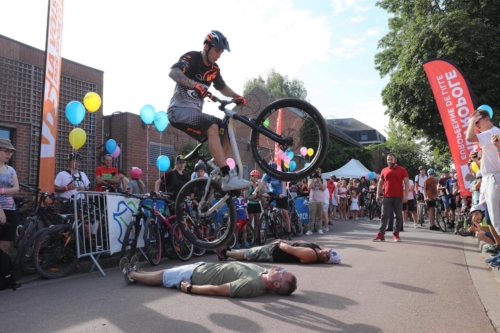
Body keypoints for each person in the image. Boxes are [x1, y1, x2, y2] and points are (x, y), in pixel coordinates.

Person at [166, 30, 251, 191]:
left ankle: (221, 171)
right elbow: (173, 72)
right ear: (206, 46)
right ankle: (227, 175)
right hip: (178, 111)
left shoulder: (214, 70)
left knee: (225, 127)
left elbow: (222, 87)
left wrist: (235, 95)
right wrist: (194, 84)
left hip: (195, 114)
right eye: (217, 50)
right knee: (211, 127)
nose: (219, 55)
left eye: (221, 52)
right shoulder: (192, 58)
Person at [119, 256, 297, 298]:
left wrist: (190, 288)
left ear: (275, 283)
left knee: (163, 276)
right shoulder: (262, 273)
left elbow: (218, 290)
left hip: (197, 277)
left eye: (281, 273)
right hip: (204, 267)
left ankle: (132, 274)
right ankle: (139, 272)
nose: (279, 268)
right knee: (168, 271)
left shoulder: (252, 284)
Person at [468, 108, 500, 254]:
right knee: (490, 217)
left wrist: (470, 121)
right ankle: (498, 247)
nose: (476, 125)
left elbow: (470, 137)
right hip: (489, 177)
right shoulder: (488, 135)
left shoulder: (493, 132)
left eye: (478, 121)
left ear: (487, 119)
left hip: (494, 177)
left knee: (496, 217)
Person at [372, 153, 409, 242]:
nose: (389, 161)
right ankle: (381, 234)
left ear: (395, 160)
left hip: (398, 196)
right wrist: (377, 194)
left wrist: (406, 195)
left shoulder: (402, 170)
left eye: (391, 159)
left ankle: (396, 234)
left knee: (398, 216)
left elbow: (406, 183)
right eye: (388, 159)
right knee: (384, 215)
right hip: (387, 196)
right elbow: (380, 183)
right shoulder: (384, 170)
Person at [215, 239, 341, 265]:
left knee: (249, 254)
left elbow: (290, 249)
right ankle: (229, 252)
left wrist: (280, 243)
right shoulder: (317, 247)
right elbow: (300, 242)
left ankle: (226, 254)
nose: (325, 253)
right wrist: (285, 240)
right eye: (327, 252)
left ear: (325, 261)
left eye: (327, 257)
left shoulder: (311, 255)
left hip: (276, 253)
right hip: (278, 248)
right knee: (252, 251)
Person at [0, 139, 21, 290]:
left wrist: (1, 191)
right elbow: (11, 189)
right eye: (6, 151)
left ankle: (4, 278)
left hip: (10, 210)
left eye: (10, 152)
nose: (9, 154)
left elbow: (16, 190)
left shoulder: (11, 170)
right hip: (0, 210)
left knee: (5, 246)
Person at [252, 162, 292, 240]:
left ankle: (289, 232)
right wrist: (255, 191)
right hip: (273, 193)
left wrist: (283, 194)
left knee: (285, 213)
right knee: (264, 196)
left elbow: (284, 186)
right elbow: (261, 184)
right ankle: (266, 213)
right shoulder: (267, 175)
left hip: (281, 194)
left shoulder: (280, 174)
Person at [305, 168, 327, 235]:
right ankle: (310, 229)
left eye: (319, 172)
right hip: (313, 201)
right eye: (317, 172)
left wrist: (319, 181)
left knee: (319, 216)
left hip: (321, 200)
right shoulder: (310, 180)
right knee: (312, 216)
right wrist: (313, 179)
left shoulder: (323, 180)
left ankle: (319, 228)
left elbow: (323, 189)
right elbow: (309, 188)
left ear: (321, 173)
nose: (318, 173)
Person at [246, 170, 262, 245]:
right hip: (250, 204)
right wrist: (252, 199)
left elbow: (260, 195)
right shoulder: (248, 185)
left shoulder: (258, 185)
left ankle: (256, 238)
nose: (255, 178)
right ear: (251, 177)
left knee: (256, 223)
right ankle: (249, 237)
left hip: (257, 204)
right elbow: (246, 196)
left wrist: (258, 199)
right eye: (254, 177)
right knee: (249, 223)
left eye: (257, 177)